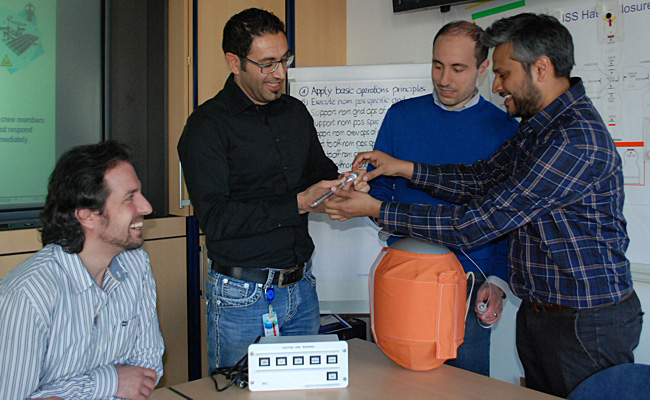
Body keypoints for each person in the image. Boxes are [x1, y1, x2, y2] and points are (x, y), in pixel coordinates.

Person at [325, 13, 643, 398]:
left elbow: (475, 223)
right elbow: (478, 179)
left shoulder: (572, 141)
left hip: (583, 324)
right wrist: (403, 168)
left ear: (540, 68)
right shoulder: (538, 129)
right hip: (545, 314)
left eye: (504, 74)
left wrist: (375, 210)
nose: (497, 85)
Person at [177, 8, 355, 371]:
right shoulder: (206, 127)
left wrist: (346, 183)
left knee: (306, 395)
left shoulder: (296, 113)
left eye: (285, 60)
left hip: (301, 287)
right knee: (238, 394)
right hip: (242, 296)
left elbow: (319, 174)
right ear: (234, 62)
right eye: (267, 63)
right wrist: (298, 204)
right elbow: (216, 220)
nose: (279, 74)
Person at [369, 21, 519, 376]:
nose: (444, 79)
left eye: (458, 68)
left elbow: (509, 219)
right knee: (395, 385)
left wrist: (497, 282)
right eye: (437, 65)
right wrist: (363, 197)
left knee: (465, 386)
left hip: (469, 286)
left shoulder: (507, 130)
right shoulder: (401, 116)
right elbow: (378, 193)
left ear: (483, 69)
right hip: (405, 278)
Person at [0, 140, 164, 400]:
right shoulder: (27, 295)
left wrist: (56, 393)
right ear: (87, 215)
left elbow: (147, 372)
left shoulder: (136, 264)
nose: (146, 208)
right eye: (130, 198)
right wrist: (109, 381)